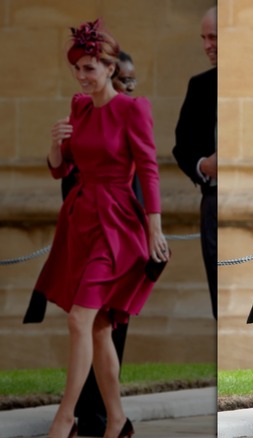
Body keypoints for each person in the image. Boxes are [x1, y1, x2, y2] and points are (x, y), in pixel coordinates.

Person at [34, 18, 168, 438]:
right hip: (80, 222)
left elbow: (148, 170)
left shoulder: (133, 109)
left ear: (110, 68)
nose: (82, 76)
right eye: (77, 68)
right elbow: (63, 169)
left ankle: (64, 418)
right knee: (98, 326)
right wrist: (55, 146)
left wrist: (155, 229)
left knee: (80, 319)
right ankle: (117, 421)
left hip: (117, 226)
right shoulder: (79, 107)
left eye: (90, 67)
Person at [173, 6, 217, 319]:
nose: (207, 45)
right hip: (213, 201)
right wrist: (204, 166)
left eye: (213, 37)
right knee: (218, 290)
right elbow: (182, 147)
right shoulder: (199, 85)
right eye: (203, 38)